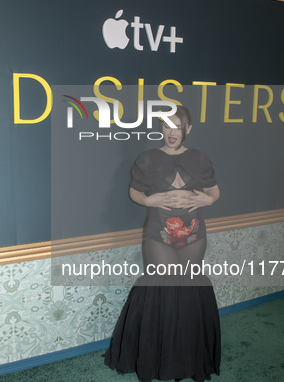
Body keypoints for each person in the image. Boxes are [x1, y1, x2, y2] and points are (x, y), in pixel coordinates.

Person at [103, 105, 221, 382]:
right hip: (160, 234)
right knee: (163, 288)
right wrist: (147, 200)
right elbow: (134, 191)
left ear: (187, 130)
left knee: (190, 290)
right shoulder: (147, 158)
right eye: (168, 126)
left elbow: (214, 190)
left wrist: (209, 199)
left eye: (178, 126)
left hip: (194, 234)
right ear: (161, 128)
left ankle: (189, 359)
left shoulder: (200, 158)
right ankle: (158, 359)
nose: (172, 131)